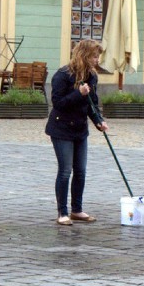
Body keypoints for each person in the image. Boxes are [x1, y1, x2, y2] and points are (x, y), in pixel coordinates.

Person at [45, 39, 109, 225]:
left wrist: (99, 121)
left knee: (80, 171)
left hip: (80, 129)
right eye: (94, 56)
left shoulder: (92, 76)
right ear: (84, 56)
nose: (97, 60)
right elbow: (58, 103)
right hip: (61, 127)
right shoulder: (62, 75)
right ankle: (62, 213)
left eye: (98, 57)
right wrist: (77, 93)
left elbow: (92, 104)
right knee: (65, 171)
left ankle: (77, 210)